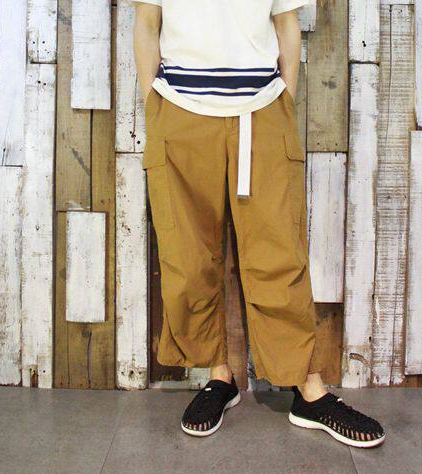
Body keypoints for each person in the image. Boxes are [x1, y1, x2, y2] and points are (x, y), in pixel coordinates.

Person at [127, 0, 385, 448]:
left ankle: (308, 389)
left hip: (262, 111)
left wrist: (282, 99)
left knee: (278, 251)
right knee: (188, 256)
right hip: (180, 111)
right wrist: (155, 104)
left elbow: (286, 24)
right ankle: (219, 376)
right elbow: (147, 23)